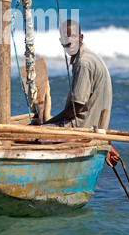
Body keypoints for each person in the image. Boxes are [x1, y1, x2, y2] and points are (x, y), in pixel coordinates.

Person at [44, 19, 119, 168]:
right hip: (97, 130)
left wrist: (48, 124)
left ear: (81, 37)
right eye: (65, 39)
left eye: (72, 37)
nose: (69, 42)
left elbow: (76, 109)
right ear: (61, 41)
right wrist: (107, 141)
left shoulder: (84, 63)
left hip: (83, 129)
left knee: (36, 136)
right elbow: (100, 105)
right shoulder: (92, 57)